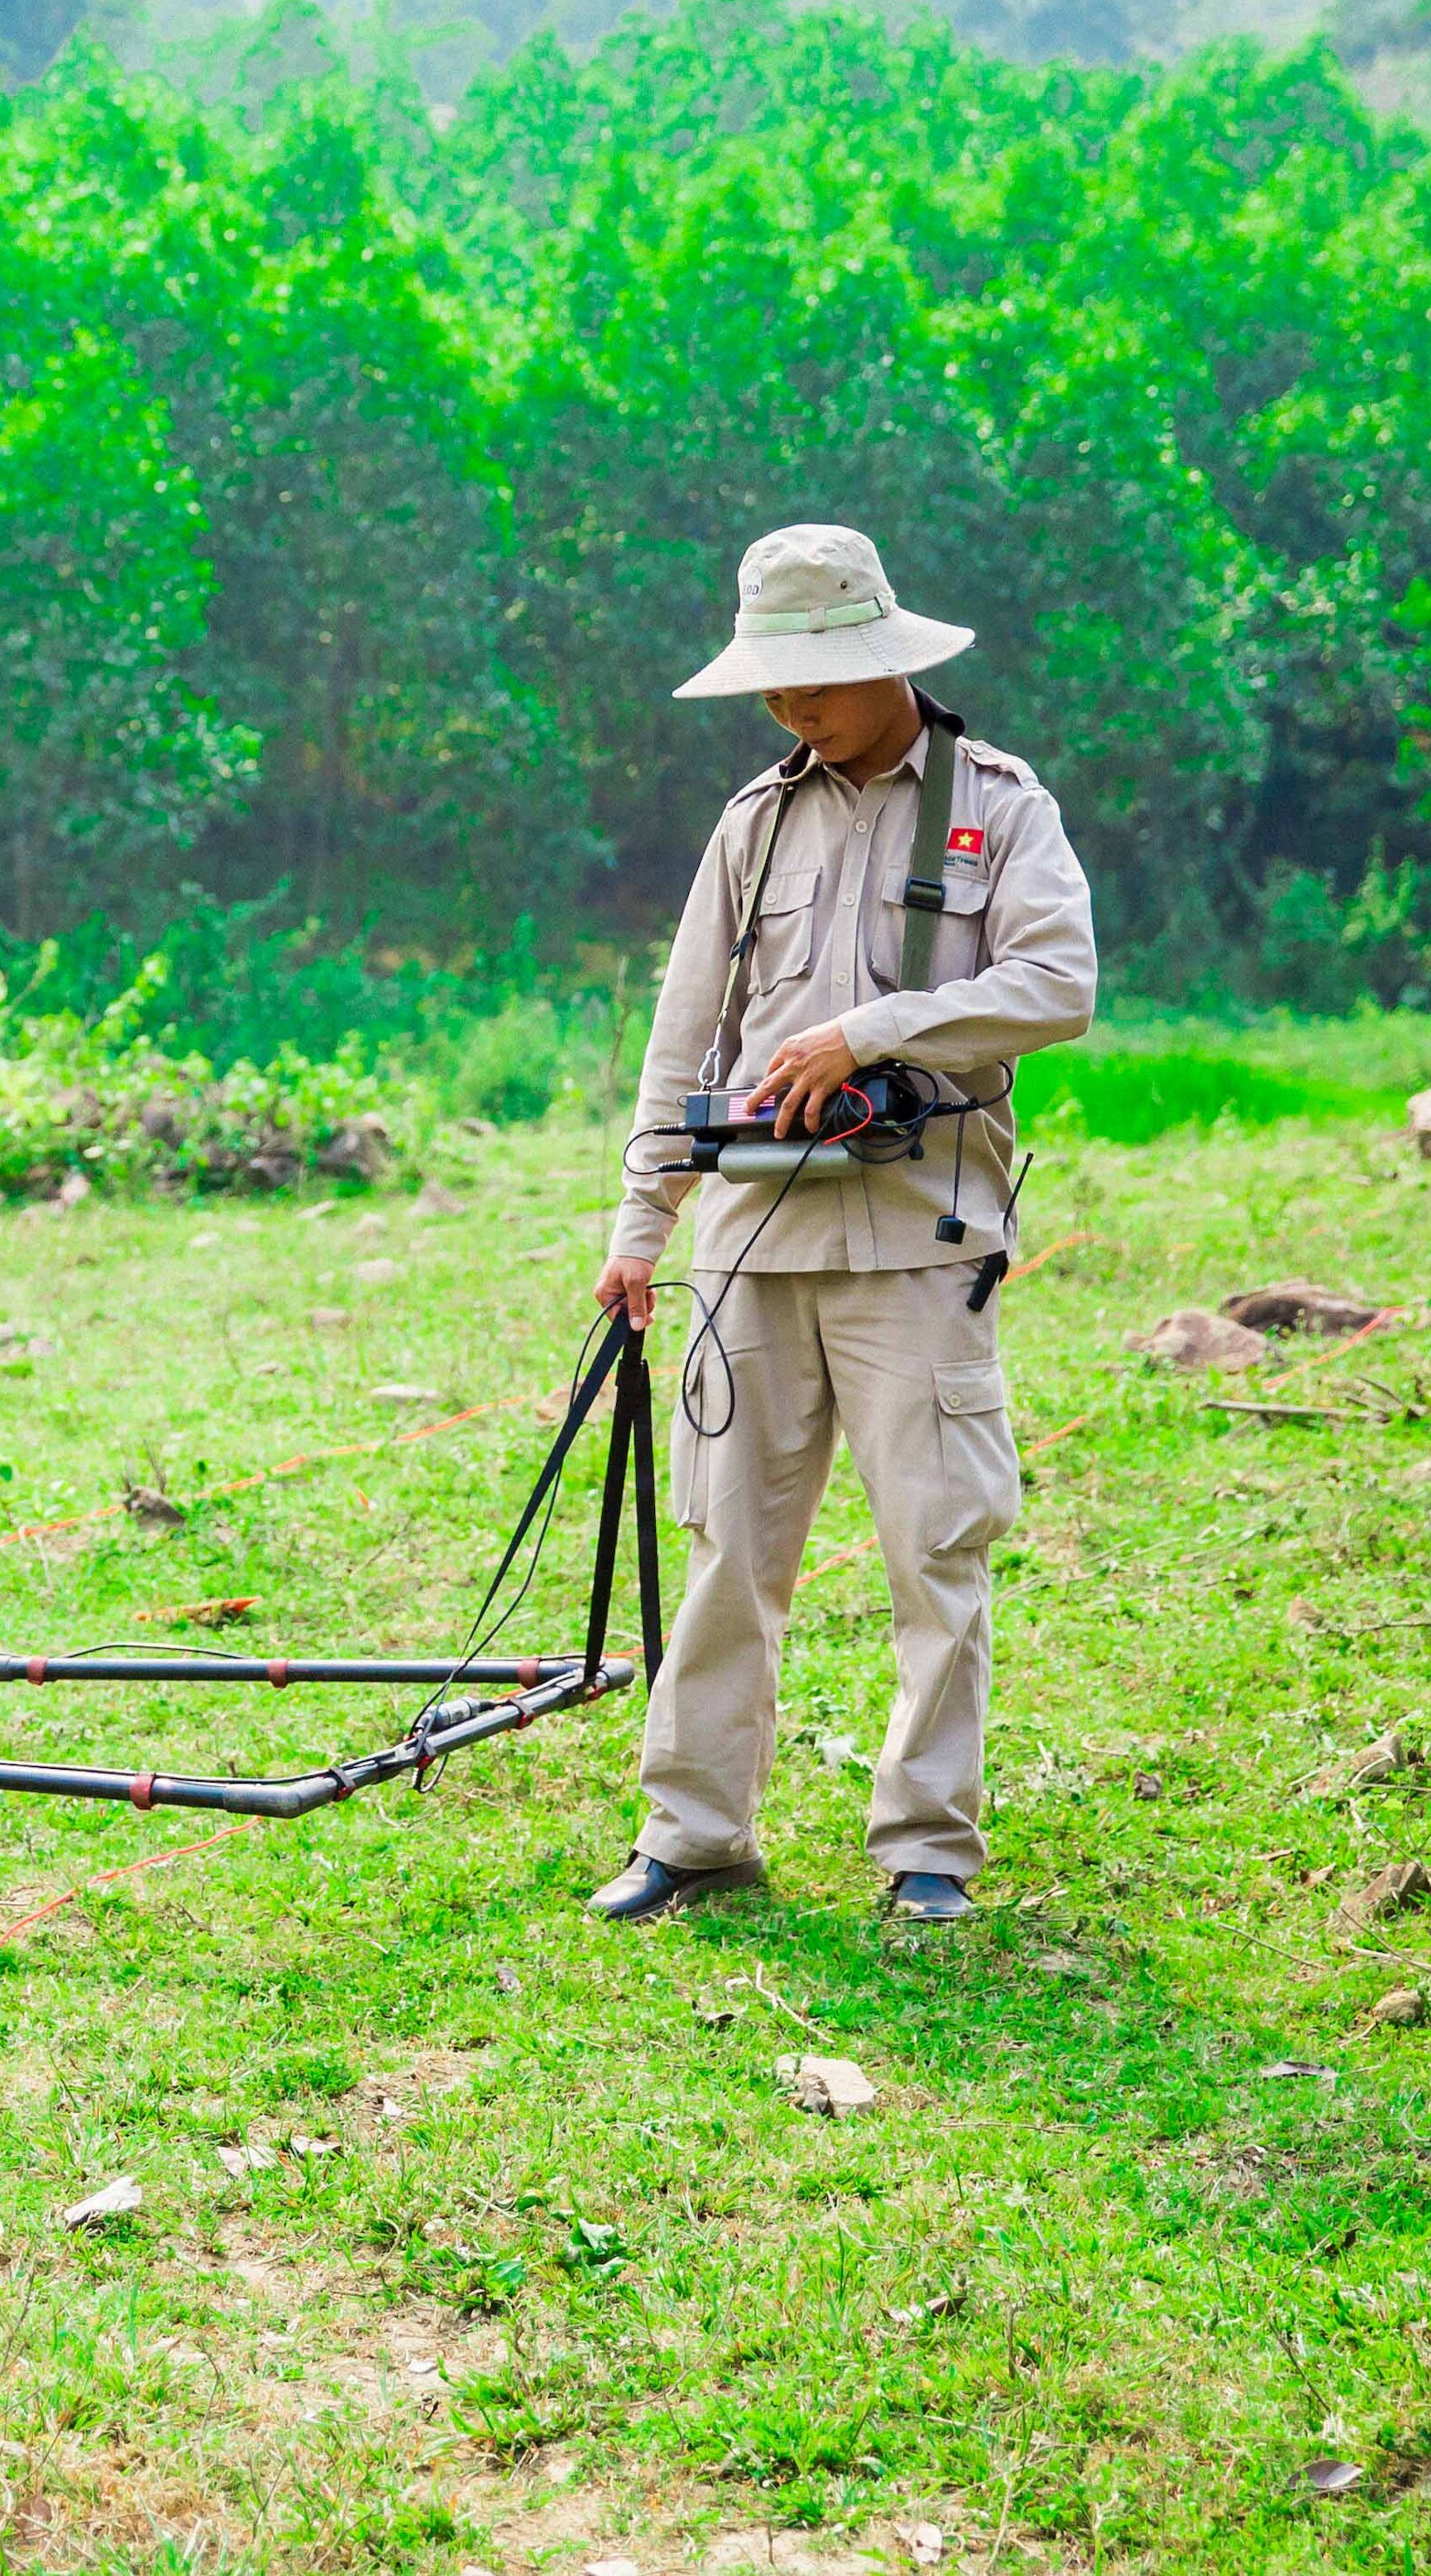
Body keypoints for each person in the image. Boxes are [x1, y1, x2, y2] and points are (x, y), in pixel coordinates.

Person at [585, 525, 1095, 1926]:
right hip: (749, 1240)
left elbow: (1060, 985)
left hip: (920, 1236)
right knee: (727, 1550)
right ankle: (694, 1832)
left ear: (883, 657)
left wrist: (869, 1032)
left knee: (937, 1547)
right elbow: (684, 1030)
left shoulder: (1001, 803)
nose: (788, 707)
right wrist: (643, 1220)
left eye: (813, 679)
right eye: (773, 684)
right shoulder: (752, 821)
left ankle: (926, 1845)